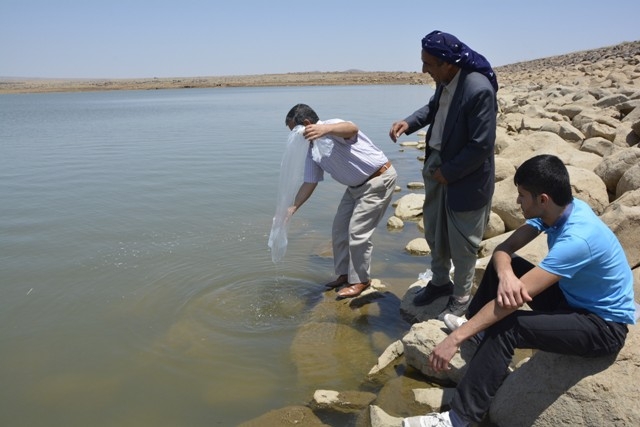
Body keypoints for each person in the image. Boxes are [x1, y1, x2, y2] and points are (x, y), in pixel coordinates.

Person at [403, 154, 636, 427]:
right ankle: (477, 332)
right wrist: (506, 274)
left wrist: (453, 341)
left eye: (522, 195)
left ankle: (459, 419)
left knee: (508, 327)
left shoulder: (578, 238)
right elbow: (503, 250)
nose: (517, 201)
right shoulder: (559, 211)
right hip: (573, 300)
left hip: (602, 326)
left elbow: (509, 304)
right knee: (506, 266)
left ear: (543, 199)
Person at [389, 30, 498, 320]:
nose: (424, 70)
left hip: (465, 175)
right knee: (435, 229)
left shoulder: (478, 89)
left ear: (448, 62)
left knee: (464, 242)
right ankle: (439, 284)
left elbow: (481, 145)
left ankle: (460, 299)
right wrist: (408, 123)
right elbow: (434, 108)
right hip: (440, 167)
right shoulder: (446, 80)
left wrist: (448, 173)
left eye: (429, 64)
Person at [285, 104, 397, 298]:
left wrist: (325, 129)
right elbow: (310, 182)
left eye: (295, 131)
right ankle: (344, 275)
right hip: (355, 188)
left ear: (306, 124)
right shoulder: (313, 149)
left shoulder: (332, 126)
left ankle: (361, 280)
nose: (295, 137)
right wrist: (292, 208)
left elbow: (352, 128)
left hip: (378, 180)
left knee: (357, 231)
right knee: (339, 229)